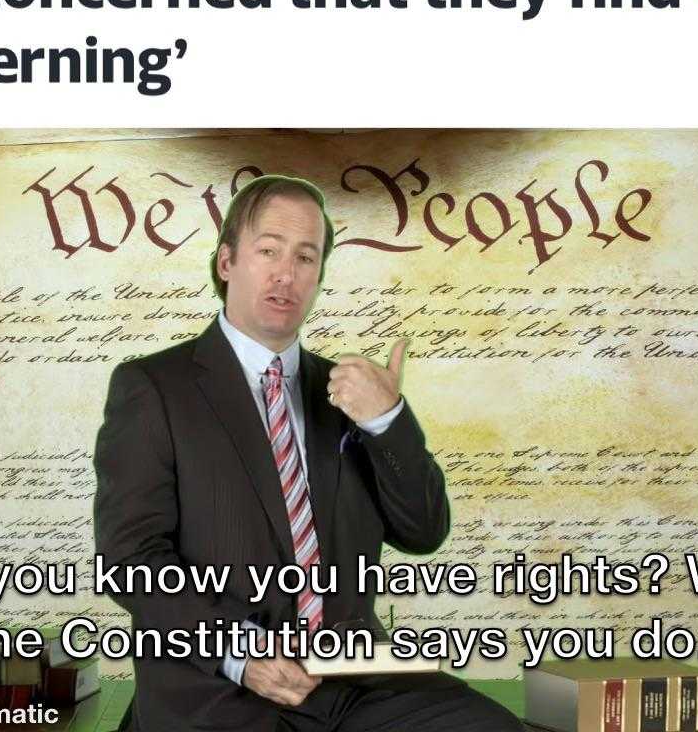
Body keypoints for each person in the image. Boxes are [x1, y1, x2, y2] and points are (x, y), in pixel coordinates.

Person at [93, 173, 523, 731]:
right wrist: (240, 654)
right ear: (227, 262)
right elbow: (130, 561)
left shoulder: (350, 394)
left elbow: (423, 532)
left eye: (305, 257)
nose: (285, 274)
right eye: (268, 250)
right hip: (219, 689)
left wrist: (387, 422)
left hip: (355, 679)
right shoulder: (152, 388)